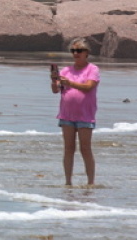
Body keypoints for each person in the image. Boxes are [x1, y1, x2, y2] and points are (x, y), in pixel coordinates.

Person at [51, 38, 99, 186]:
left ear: (86, 53)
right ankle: (68, 182)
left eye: (79, 50)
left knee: (85, 149)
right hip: (67, 114)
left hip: (85, 115)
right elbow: (55, 90)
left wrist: (70, 83)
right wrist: (54, 81)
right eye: (73, 51)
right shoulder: (66, 70)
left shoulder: (92, 69)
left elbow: (88, 87)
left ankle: (90, 182)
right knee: (68, 149)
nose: (76, 53)